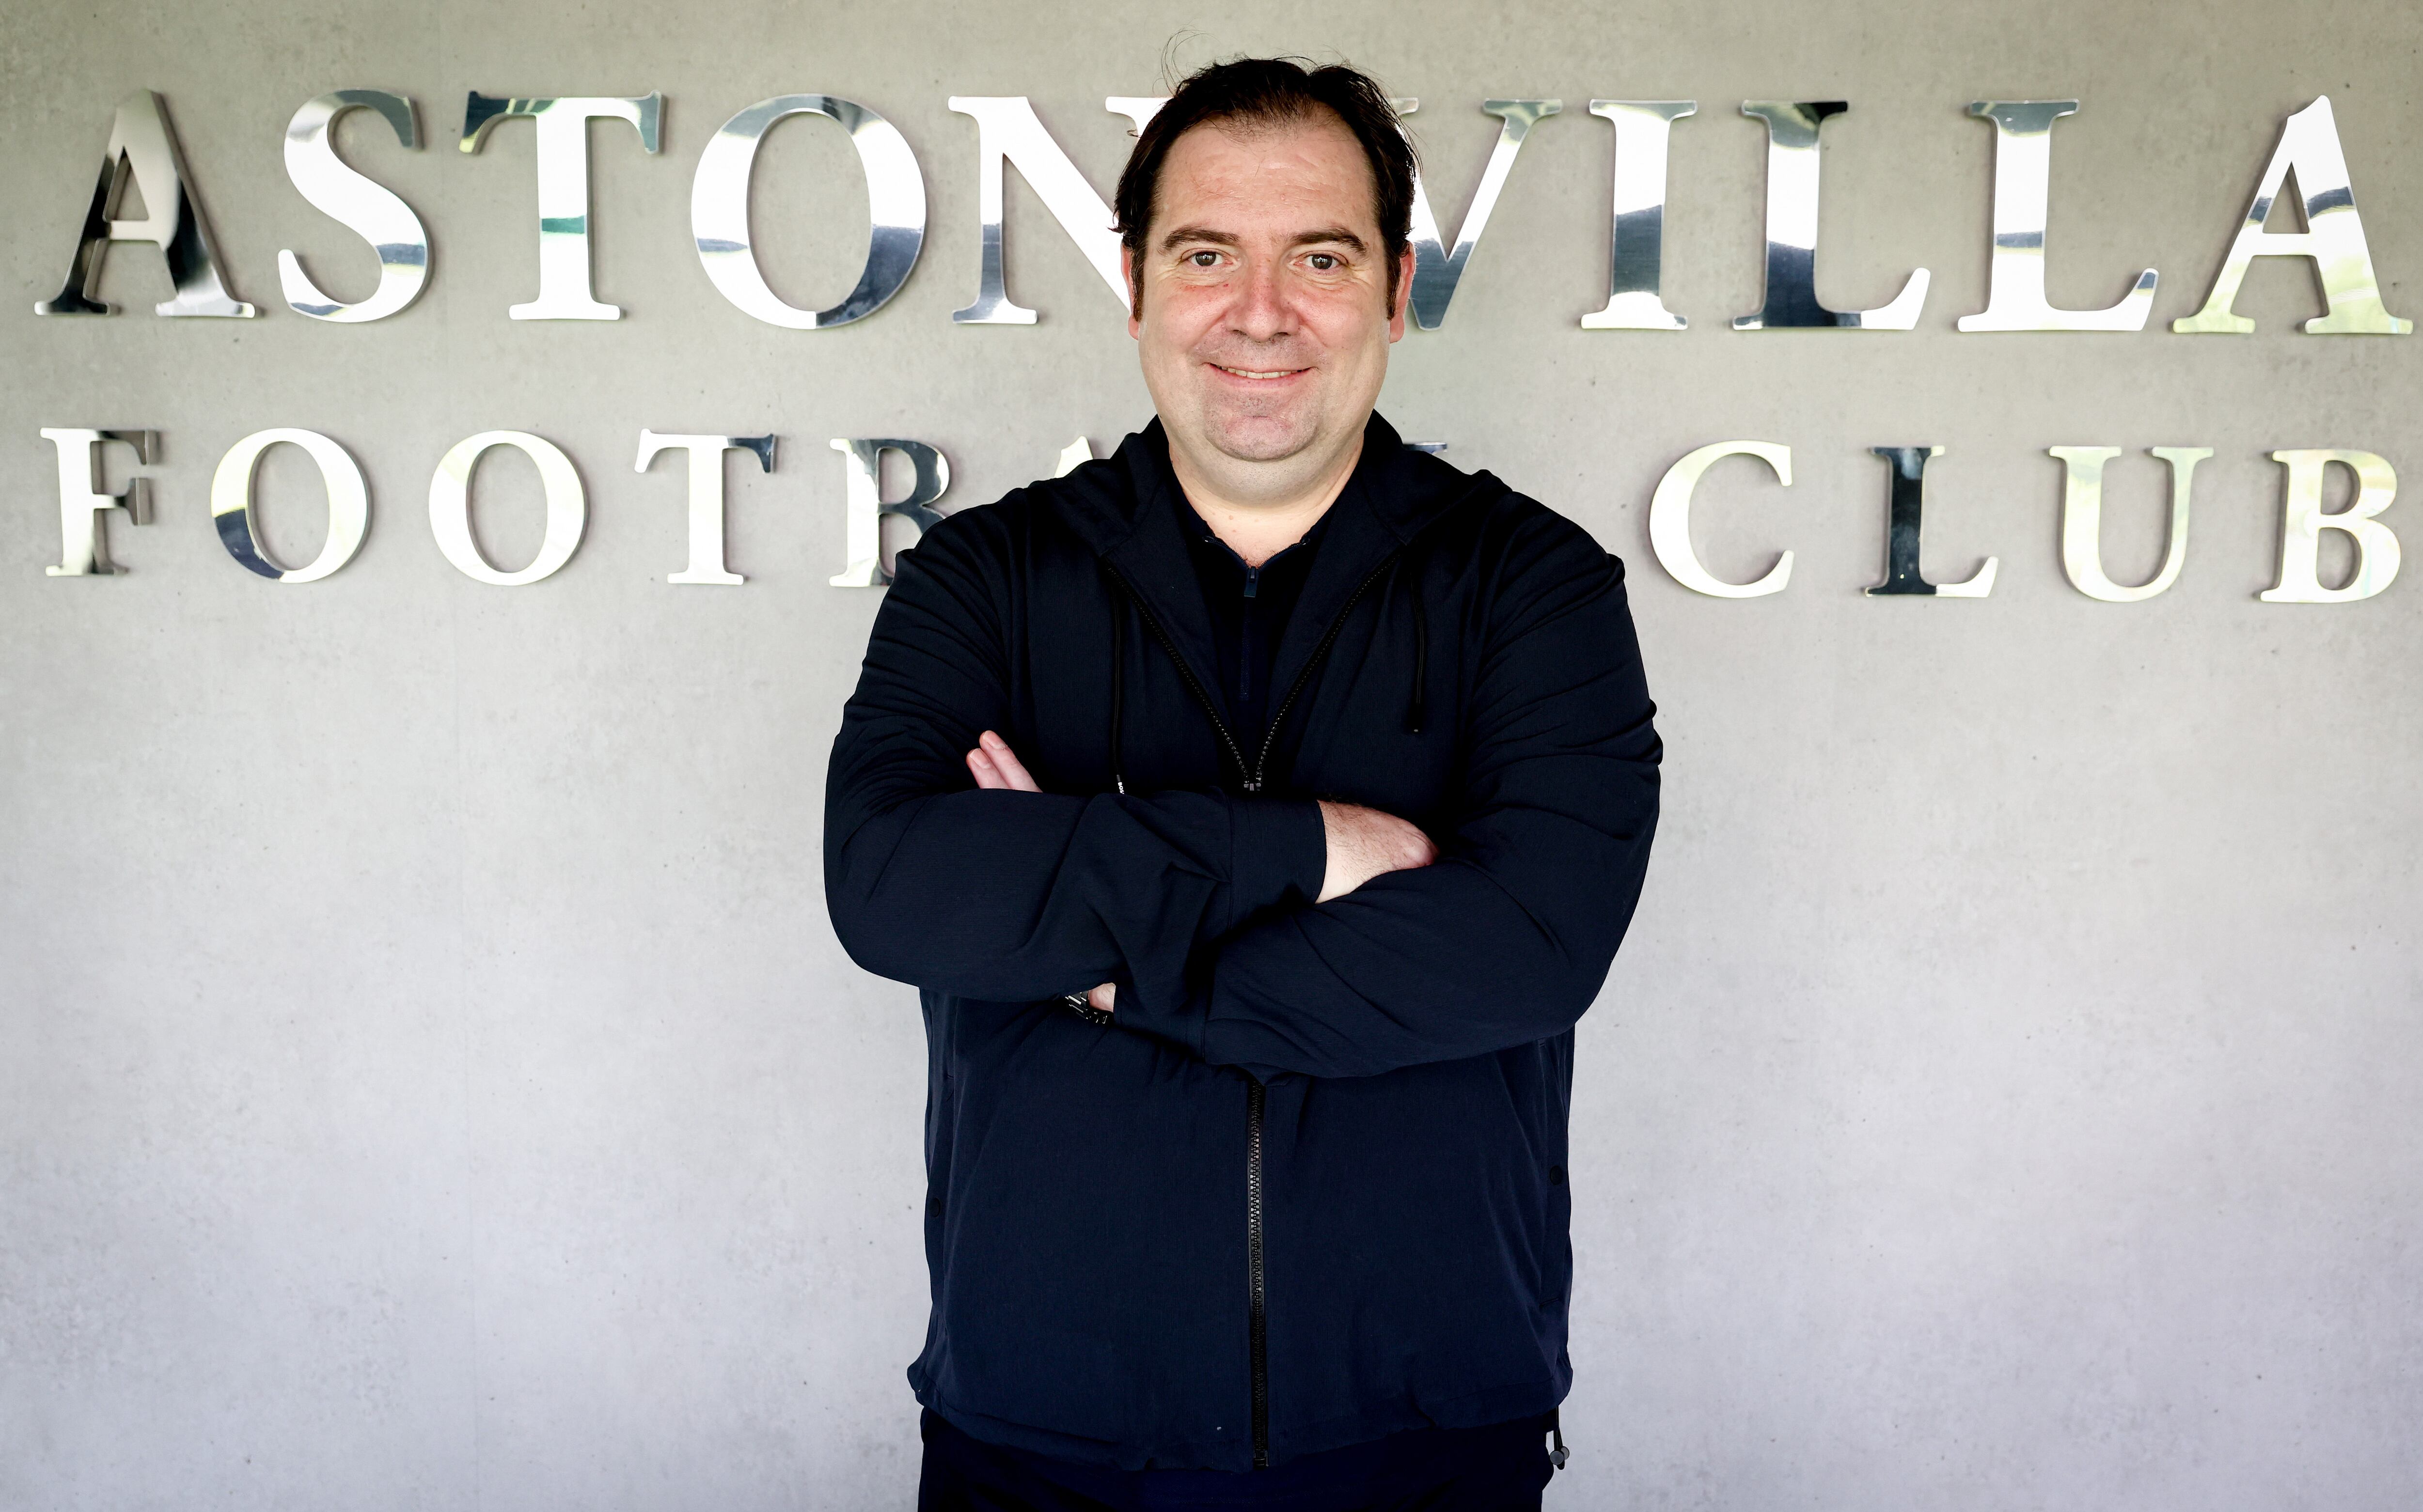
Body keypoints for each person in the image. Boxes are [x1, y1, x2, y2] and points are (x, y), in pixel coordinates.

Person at [824, 55, 1661, 1511]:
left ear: (1396, 290)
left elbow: (1529, 948)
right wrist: (1304, 846)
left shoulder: (1535, 590)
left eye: (1318, 258)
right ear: (1138, 282)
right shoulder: (988, 581)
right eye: (1208, 255)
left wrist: (1103, 961)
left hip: (1423, 1423)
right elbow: (895, 887)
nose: (1260, 314)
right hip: (1046, 1424)